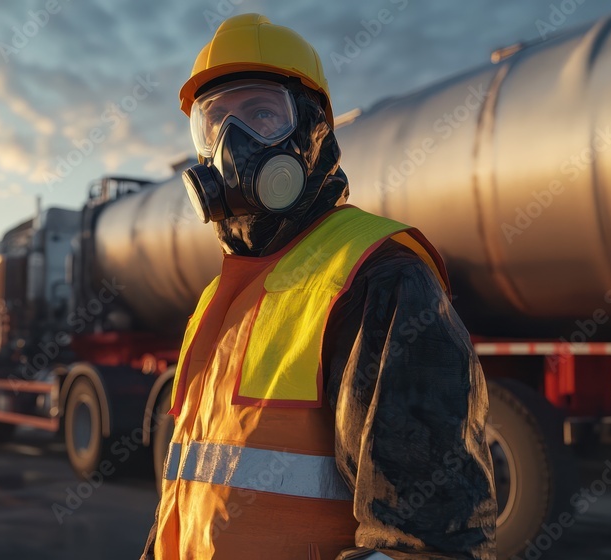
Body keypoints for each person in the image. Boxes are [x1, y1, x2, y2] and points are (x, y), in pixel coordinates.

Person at [141, 14, 497, 560]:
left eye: (262, 114)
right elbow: (187, 499)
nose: (233, 144)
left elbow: (424, 543)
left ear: (313, 131)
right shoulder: (217, 300)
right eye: (214, 123)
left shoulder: (379, 277)